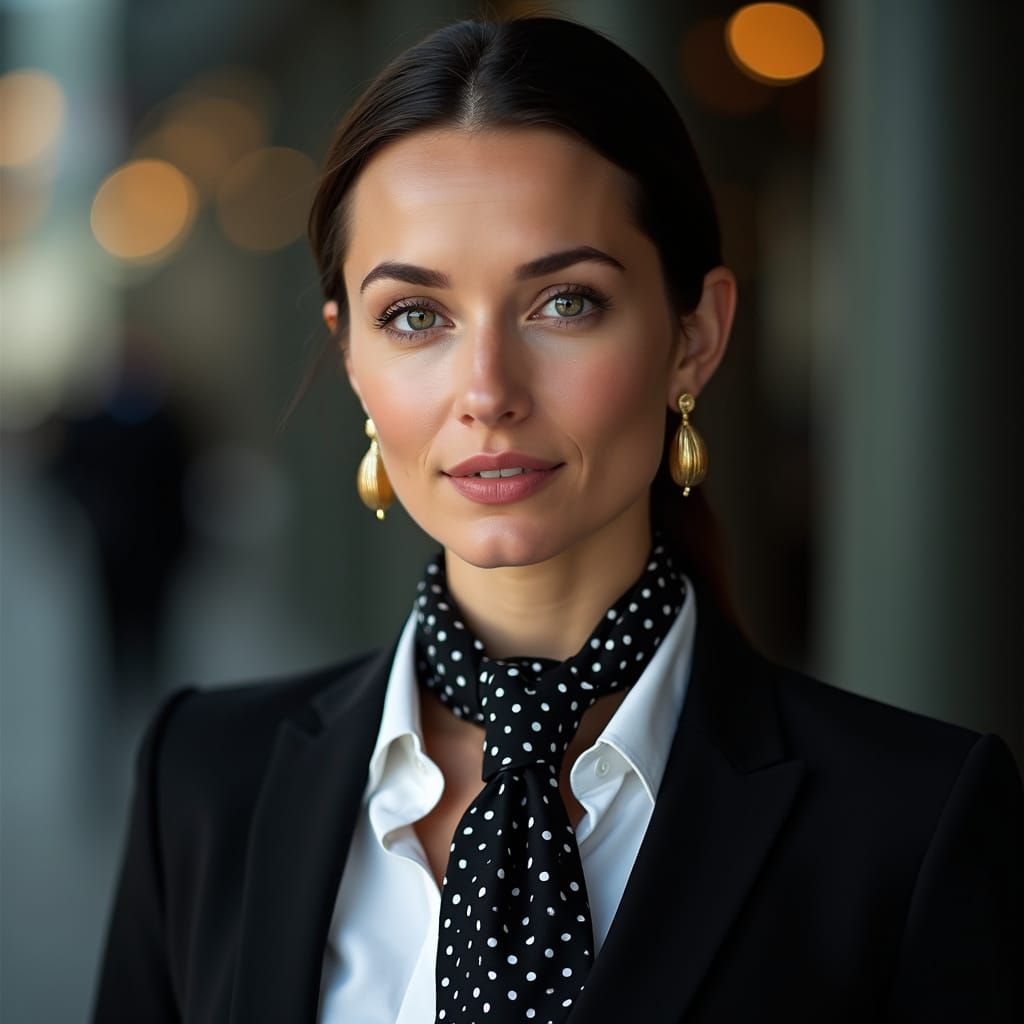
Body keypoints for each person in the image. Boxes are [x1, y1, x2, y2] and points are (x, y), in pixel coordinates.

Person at [91, 15, 1024, 1024]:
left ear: (694, 336)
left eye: (565, 302)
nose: (486, 390)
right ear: (351, 353)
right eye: (415, 316)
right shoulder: (202, 777)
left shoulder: (909, 820)